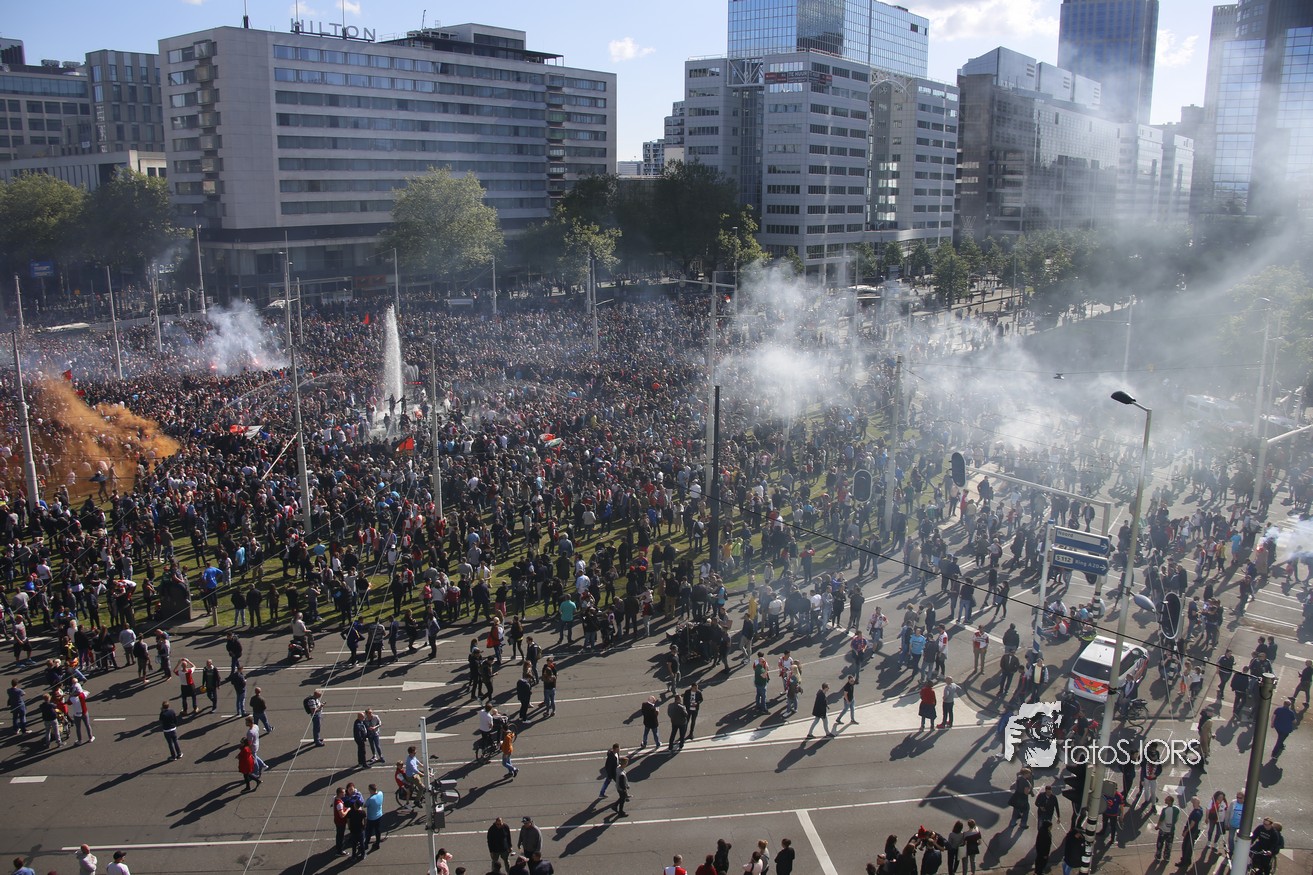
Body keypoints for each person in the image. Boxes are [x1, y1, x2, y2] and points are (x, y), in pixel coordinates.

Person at [1178, 796, 1204, 866]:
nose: (1192, 804)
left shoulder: (1196, 813)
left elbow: (1192, 824)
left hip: (1192, 832)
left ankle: (1184, 861)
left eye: (1193, 802)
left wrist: (1185, 832)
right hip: (1194, 831)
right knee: (1188, 847)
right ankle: (1187, 860)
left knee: (1186, 847)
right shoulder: (1200, 809)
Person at [1153, 794, 1180, 861]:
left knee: (1160, 843)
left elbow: (1161, 819)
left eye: (1167, 800)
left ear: (1170, 801)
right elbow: (1176, 819)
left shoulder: (1165, 810)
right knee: (1169, 844)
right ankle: (1167, 857)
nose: (1165, 800)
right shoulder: (1177, 809)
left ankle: (1158, 856)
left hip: (1163, 829)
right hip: (1171, 830)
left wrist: (1157, 826)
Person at [365, 783, 385, 853]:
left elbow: (365, 805)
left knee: (369, 831)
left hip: (371, 818)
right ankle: (377, 843)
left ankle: (366, 844)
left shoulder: (371, 799)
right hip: (379, 815)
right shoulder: (381, 793)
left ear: (371, 790)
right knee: (377, 830)